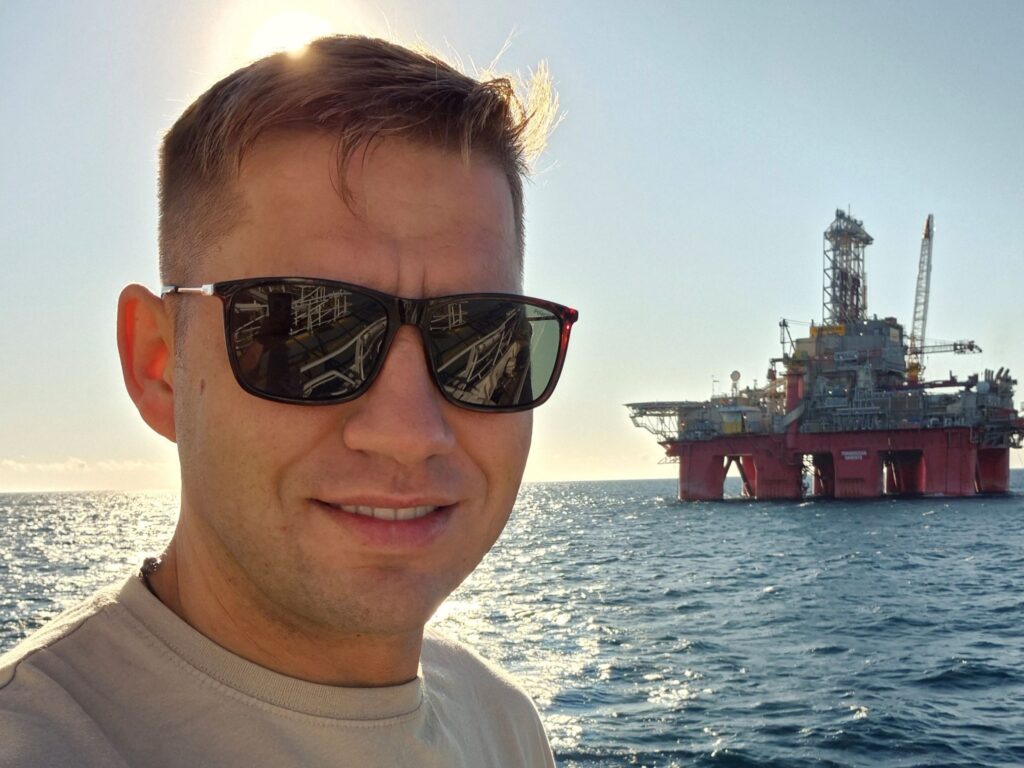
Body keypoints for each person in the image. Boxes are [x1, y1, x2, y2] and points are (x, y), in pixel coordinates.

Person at [0, 35, 577, 766]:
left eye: (481, 341)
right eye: (309, 332)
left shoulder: (504, 724)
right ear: (159, 365)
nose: (409, 433)